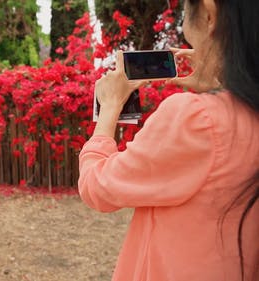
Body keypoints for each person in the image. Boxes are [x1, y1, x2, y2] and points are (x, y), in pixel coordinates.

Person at [78, 0, 258, 280]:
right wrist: (220, 82)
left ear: (209, 15)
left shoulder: (196, 119)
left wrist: (110, 105)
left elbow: (97, 187)